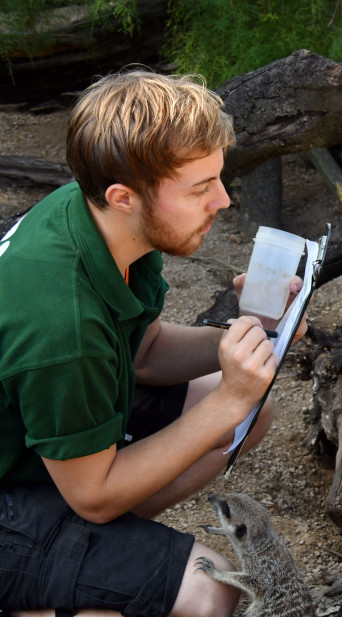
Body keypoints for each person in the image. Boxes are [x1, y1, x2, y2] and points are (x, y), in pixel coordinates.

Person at [0, 69, 305, 617]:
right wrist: (228, 400)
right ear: (124, 197)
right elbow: (94, 496)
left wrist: (244, 333)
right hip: (14, 498)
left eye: (217, 179)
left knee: (250, 414)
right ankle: (58, 579)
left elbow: (143, 354)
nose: (224, 200)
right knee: (210, 595)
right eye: (200, 188)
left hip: (42, 437)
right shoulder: (61, 323)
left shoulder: (108, 220)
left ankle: (89, 560)